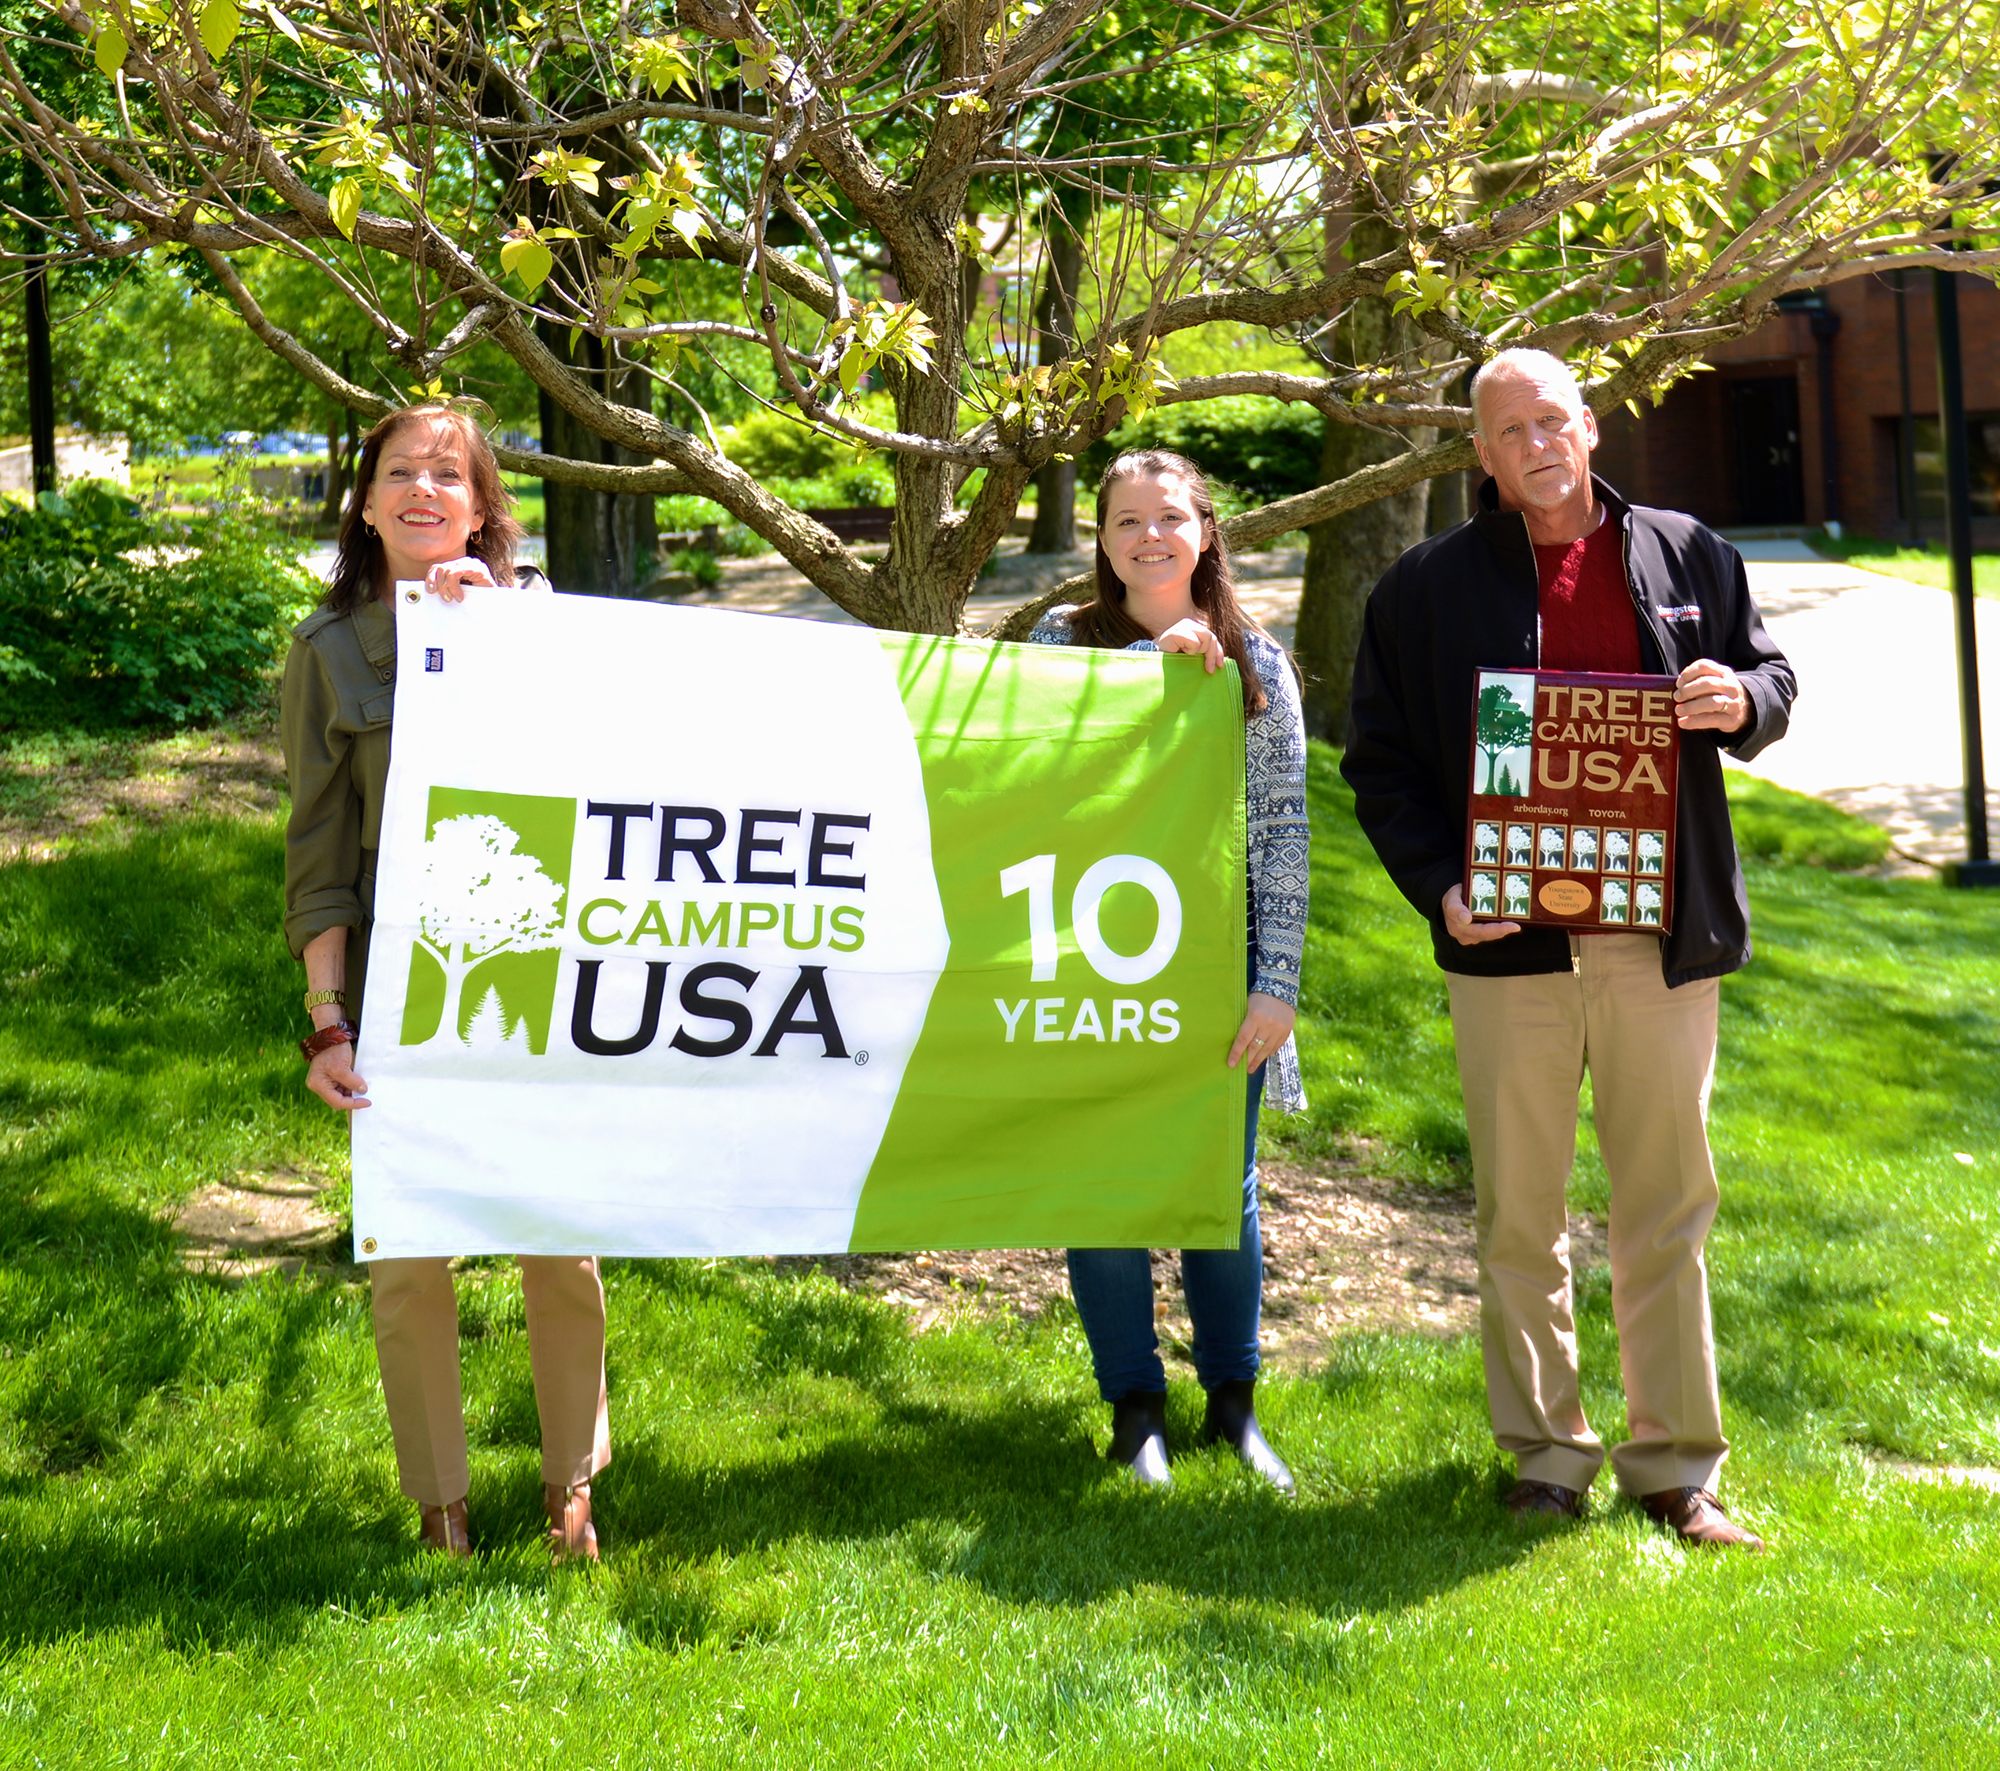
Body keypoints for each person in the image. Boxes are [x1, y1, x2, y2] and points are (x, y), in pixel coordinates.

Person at [1341, 348, 1796, 1548]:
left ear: (1588, 429)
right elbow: (1377, 766)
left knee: (1664, 1205)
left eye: (1552, 421)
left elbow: (1772, 673)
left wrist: (1739, 701)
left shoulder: (1686, 551)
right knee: (1515, 1214)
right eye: (1509, 430)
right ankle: (1544, 1454)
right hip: (1507, 953)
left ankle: (1673, 1468)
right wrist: (1441, 889)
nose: (1536, 444)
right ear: (1479, 455)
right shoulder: (1423, 588)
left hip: (1656, 938)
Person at [281, 403, 612, 1560]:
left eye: (448, 474)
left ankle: (571, 1490)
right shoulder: (326, 656)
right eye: (399, 472)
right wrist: (328, 1021)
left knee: (555, 1237)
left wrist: (498, 643)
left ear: (480, 506)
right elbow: (317, 856)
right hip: (393, 989)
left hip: (532, 968)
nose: (423, 490)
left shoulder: (543, 626)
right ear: (364, 501)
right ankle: (440, 1501)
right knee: (409, 1251)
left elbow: (610, 778)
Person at [1030, 450, 1309, 1493]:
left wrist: (1272, 982)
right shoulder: (1061, 646)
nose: (1146, 538)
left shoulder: (1256, 663)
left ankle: (1231, 1406)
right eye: (1122, 523)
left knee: (1214, 1185)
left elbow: (1282, 828)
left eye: (1167, 518)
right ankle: (1132, 1409)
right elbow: (1029, 782)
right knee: (1099, 1184)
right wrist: (1143, 684)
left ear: (1205, 530)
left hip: (1212, 964)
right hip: (1087, 955)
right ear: (1100, 541)